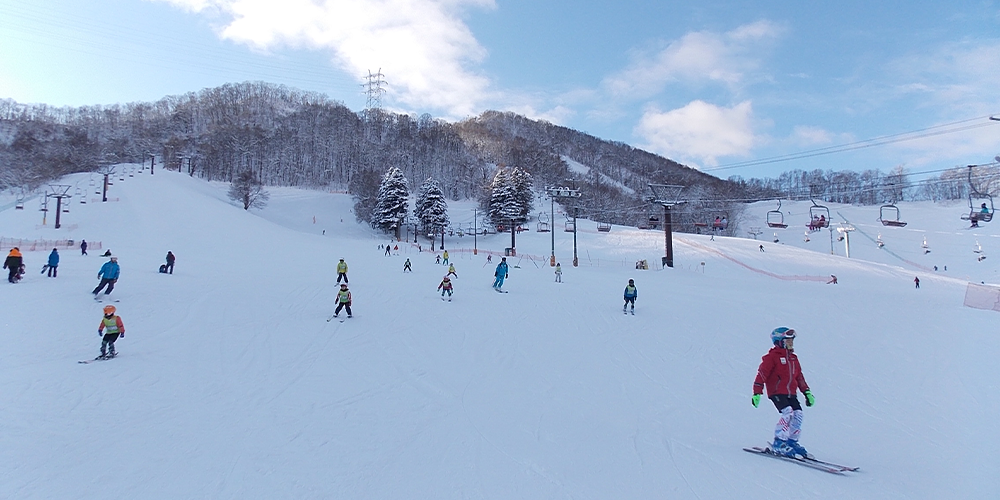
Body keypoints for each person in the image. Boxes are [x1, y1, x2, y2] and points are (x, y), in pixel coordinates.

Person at [752, 327, 814, 458]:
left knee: (798, 414)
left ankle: (792, 442)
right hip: (777, 392)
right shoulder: (771, 358)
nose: (791, 344)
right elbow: (762, 374)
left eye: (792, 341)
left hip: (791, 392)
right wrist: (757, 392)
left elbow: (799, 377)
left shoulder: (793, 359)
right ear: (779, 342)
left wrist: (807, 392)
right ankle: (779, 442)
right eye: (788, 341)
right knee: (788, 412)